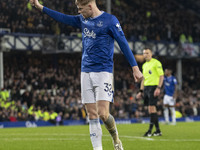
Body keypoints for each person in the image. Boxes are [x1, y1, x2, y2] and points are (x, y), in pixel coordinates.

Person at [29, 0, 143, 150]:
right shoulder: (82, 19)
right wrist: (40, 7)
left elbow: (123, 43)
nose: (79, 11)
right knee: (92, 114)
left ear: (90, 6)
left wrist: (135, 68)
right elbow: (62, 17)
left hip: (103, 72)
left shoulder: (110, 20)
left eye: (81, 8)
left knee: (103, 113)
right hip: (85, 71)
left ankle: (116, 138)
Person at [136, 48, 164, 137]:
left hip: (153, 87)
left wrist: (158, 88)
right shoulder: (144, 65)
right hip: (146, 88)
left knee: (151, 109)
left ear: (151, 54)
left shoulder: (156, 63)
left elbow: (161, 76)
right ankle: (158, 131)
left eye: (147, 53)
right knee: (151, 110)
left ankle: (149, 131)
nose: (145, 55)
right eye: (144, 53)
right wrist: (141, 91)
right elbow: (143, 79)